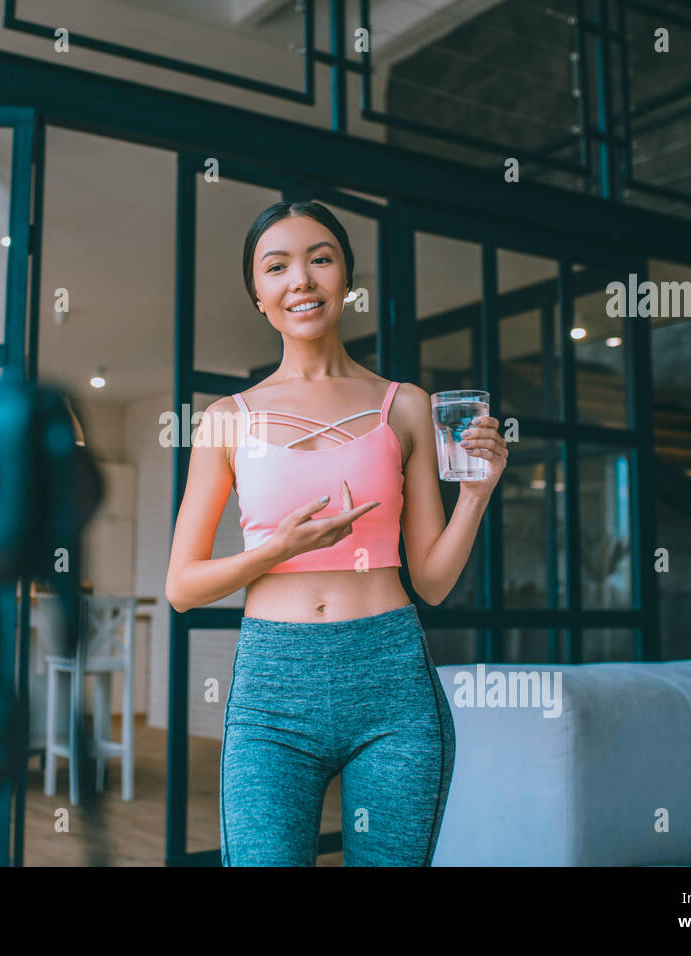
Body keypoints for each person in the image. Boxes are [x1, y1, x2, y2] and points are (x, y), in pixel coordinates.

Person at [165, 200, 507, 866]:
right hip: (271, 694)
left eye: (321, 259)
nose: (302, 279)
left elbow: (432, 582)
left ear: (347, 279)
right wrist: (276, 550)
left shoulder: (403, 405)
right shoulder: (225, 420)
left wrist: (476, 494)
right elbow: (181, 586)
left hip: (392, 685)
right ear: (257, 293)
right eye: (277, 266)